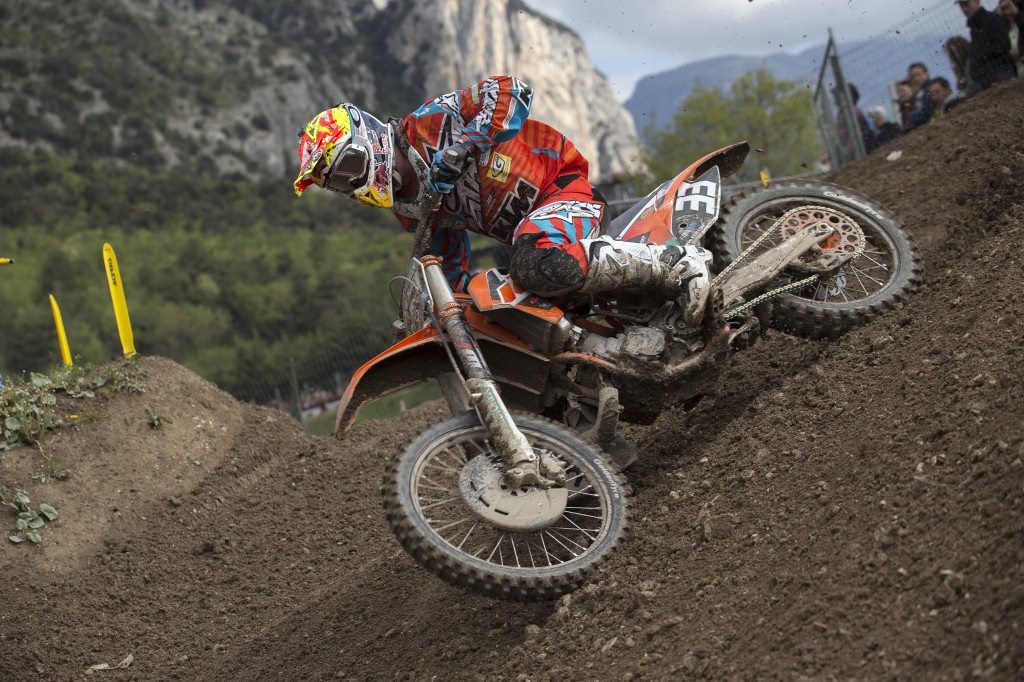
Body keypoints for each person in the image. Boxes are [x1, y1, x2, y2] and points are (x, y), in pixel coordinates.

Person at [292, 76, 711, 315]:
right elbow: (450, 264)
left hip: (561, 188)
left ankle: (675, 262)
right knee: (504, 304)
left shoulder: (429, 123)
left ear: (367, 138)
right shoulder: (412, 210)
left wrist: (465, 144)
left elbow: (512, 90)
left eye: (347, 167)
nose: (351, 184)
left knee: (532, 264)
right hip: (530, 237)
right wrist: (443, 307)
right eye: (338, 183)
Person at [957, 0, 1016, 88]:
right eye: (961, 6)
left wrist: (980, 56)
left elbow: (1004, 45)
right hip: (986, 79)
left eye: (966, 4)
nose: (964, 9)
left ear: (977, 1)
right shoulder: (974, 29)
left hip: (1002, 72)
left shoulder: (993, 19)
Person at [904, 62, 935, 128]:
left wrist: (911, 116)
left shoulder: (931, 89)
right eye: (912, 77)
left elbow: (925, 113)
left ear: (926, 73)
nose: (916, 79)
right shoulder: (919, 93)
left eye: (918, 75)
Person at [999, 0, 1024, 76]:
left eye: (1009, 6)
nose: (1008, 10)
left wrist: (1017, 13)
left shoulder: (1021, 20)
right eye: (1004, 8)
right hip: (1018, 69)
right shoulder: (1004, 30)